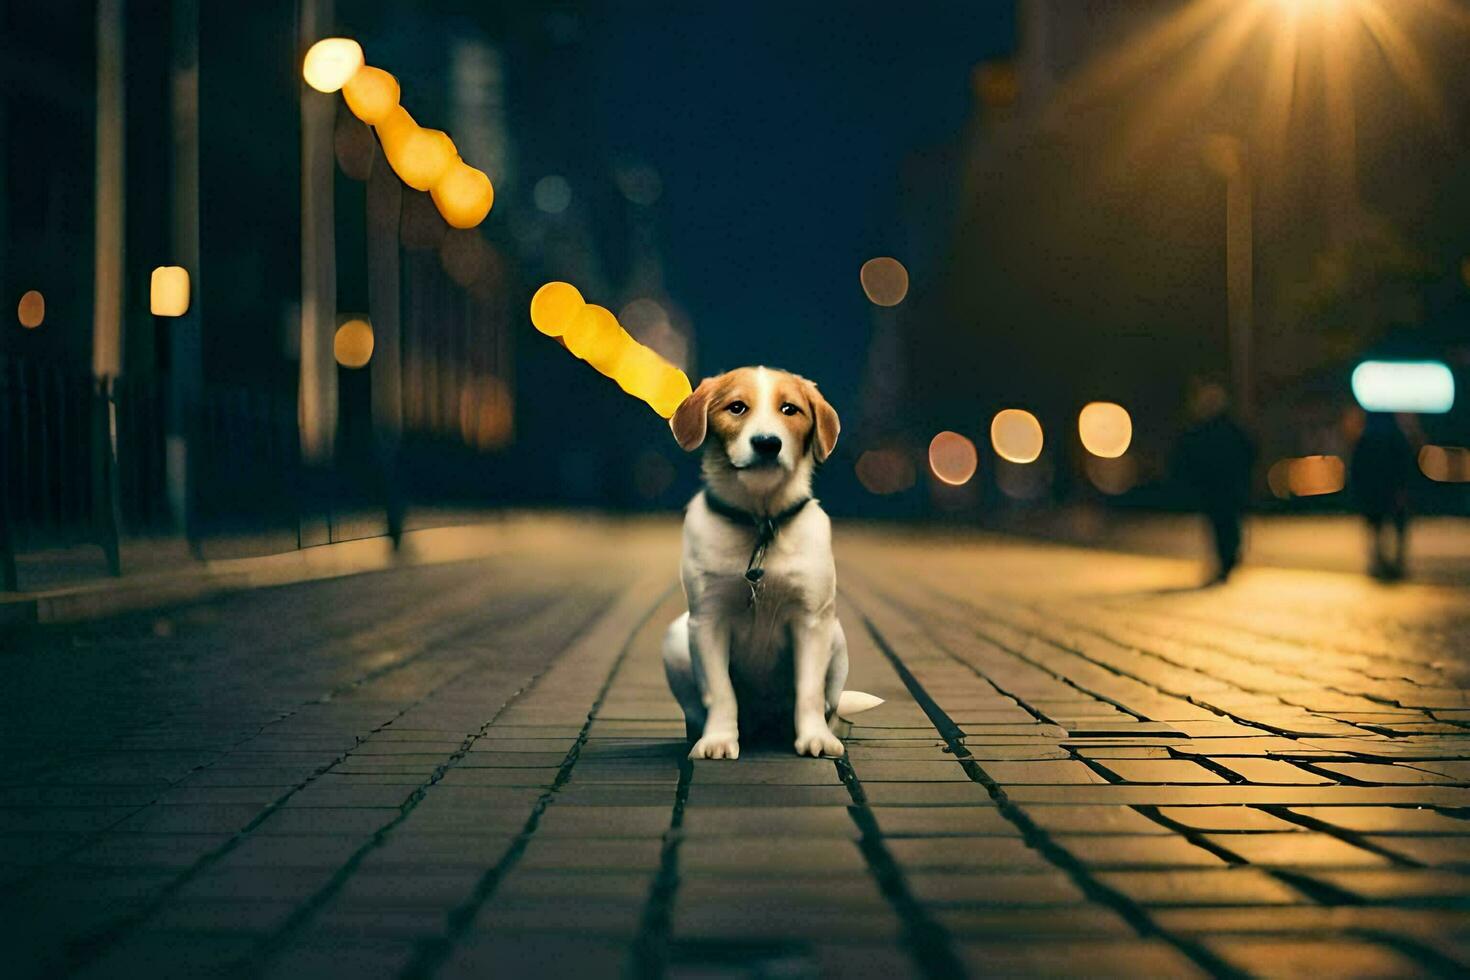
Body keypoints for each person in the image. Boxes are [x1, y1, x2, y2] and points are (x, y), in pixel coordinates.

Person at [1175, 380, 1256, 583]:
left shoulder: (1213, 430)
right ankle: (1228, 559)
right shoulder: (1225, 429)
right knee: (1225, 524)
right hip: (1220, 487)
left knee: (1224, 524)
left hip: (1221, 487)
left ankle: (1228, 559)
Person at [1350, 412, 1416, 580]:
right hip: (1391, 490)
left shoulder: (1366, 438)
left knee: (1376, 528)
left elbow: (1357, 468)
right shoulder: (1396, 437)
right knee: (1396, 527)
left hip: (1375, 491)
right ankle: (1396, 561)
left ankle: (1380, 560)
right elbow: (1406, 465)